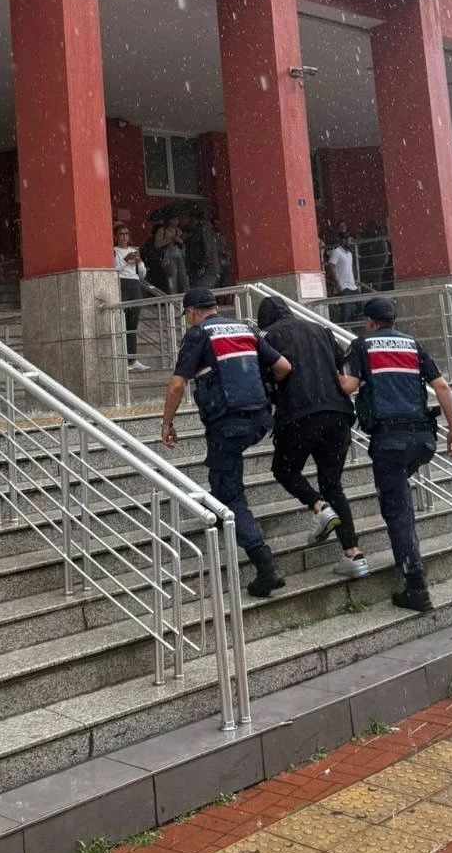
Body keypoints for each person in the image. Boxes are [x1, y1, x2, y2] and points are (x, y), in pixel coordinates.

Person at [161, 287, 292, 597]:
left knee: (230, 493)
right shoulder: (246, 328)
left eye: (187, 315)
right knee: (222, 481)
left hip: (228, 425)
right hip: (259, 419)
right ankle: (224, 516)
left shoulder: (198, 334)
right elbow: (283, 367)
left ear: (192, 311)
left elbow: (177, 385)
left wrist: (167, 423)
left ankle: (265, 565)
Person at [341, 297, 452, 614]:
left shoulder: (361, 345)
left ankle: (415, 585)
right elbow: (442, 387)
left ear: (369, 321)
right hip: (422, 440)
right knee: (399, 496)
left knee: (398, 512)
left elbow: (348, 386)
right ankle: (411, 561)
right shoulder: (412, 344)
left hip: (389, 441)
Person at [256, 296, 368, 579]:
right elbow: (344, 365)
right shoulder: (321, 330)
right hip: (338, 413)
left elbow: (268, 375)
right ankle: (353, 554)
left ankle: (319, 507)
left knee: (284, 470)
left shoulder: (267, 336)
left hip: (299, 414)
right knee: (333, 484)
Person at [115, 222, 151, 372]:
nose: (124, 237)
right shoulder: (114, 251)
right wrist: (125, 260)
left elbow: (142, 274)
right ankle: (124, 359)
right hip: (122, 283)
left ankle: (132, 360)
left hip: (135, 284)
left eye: (126, 234)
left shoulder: (133, 250)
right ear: (116, 237)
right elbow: (114, 270)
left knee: (133, 324)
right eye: (121, 234)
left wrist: (139, 262)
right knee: (123, 322)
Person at [325, 232, 358, 323]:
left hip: (352, 286)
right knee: (346, 310)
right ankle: (344, 326)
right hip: (343, 286)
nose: (352, 243)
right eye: (350, 241)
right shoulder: (337, 252)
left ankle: (351, 324)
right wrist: (337, 283)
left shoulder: (350, 254)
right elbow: (331, 266)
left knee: (361, 306)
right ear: (344, 240)